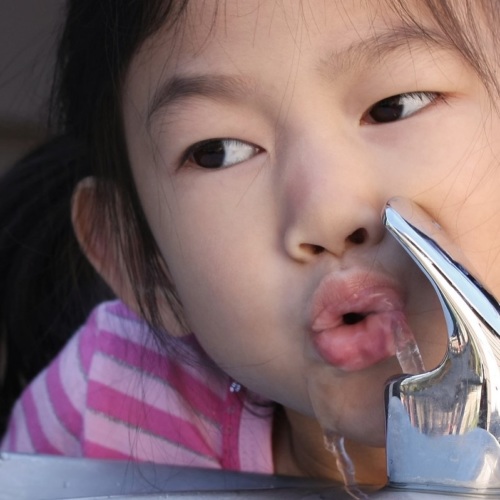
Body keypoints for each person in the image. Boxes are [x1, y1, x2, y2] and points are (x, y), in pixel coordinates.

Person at [2, 0, 500, 490]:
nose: (327, 216)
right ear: (144, 261)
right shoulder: (105, 414)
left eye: (397, 105)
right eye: (219, 152)